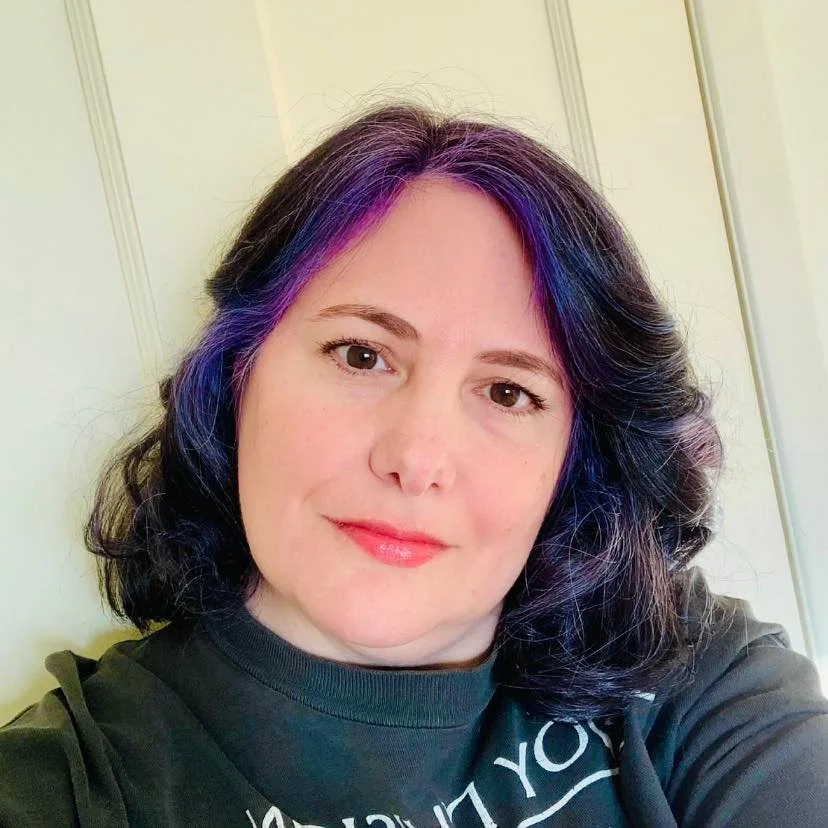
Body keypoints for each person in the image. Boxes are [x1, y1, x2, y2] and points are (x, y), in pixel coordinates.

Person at [1, 103, 826, 828]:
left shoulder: (697, 680)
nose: (417, 459)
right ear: (236, 375)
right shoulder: (67, 783)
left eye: (508, 392)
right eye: (361, 354)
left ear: (574, 459)